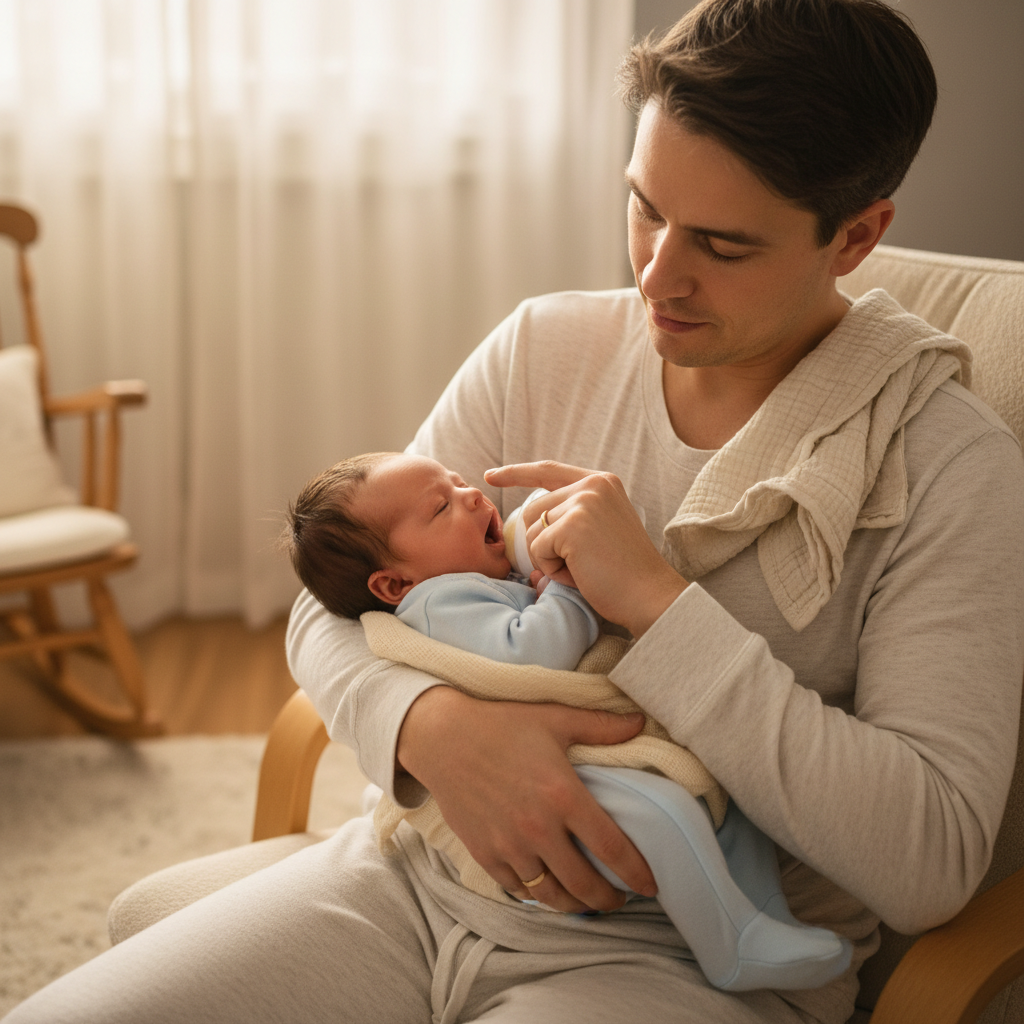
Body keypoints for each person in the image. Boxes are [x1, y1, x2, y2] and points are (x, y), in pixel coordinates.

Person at [5, 1, 1022, 1022]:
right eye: (643, 207)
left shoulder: (946, 468)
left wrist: (665, 611)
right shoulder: (543, 348)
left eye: (720, 242)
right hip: (413, 881)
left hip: (691, 957)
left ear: (856, 235)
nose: (655, 273)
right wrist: (429, 725)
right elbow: (336, 592)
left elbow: (927, 856)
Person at [282, 449, 853, 991]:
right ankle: (729, 944)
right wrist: (566, 586)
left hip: (566, 754)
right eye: (441, 506)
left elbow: (531, 548)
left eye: (459, 482)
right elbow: (532, 650)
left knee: (727, 797)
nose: (473, 497)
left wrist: (572, 534)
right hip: (557, 766)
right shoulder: (438, 602)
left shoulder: (467, 570)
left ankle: (766, 916)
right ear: (395, 584)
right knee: (665, 811)